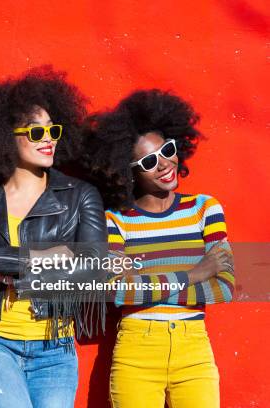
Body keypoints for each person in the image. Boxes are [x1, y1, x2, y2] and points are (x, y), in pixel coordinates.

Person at [0, 66, 107, 408]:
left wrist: (6, 269)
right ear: (4, 137)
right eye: (35, 132)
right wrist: (42, 258)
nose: (48, 139)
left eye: (52, 130)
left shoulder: (80, 196)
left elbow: (92, 267)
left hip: (55, 349)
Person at [82, 89, 235, 408]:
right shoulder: (116, 220)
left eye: (167, 149)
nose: (165, 164)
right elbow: (116, 294)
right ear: (129, 172)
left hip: (193, 349)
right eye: (149, 161)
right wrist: (196, 273)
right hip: (137, 350)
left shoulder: (204, 208)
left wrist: (144, 283)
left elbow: (223, 287)